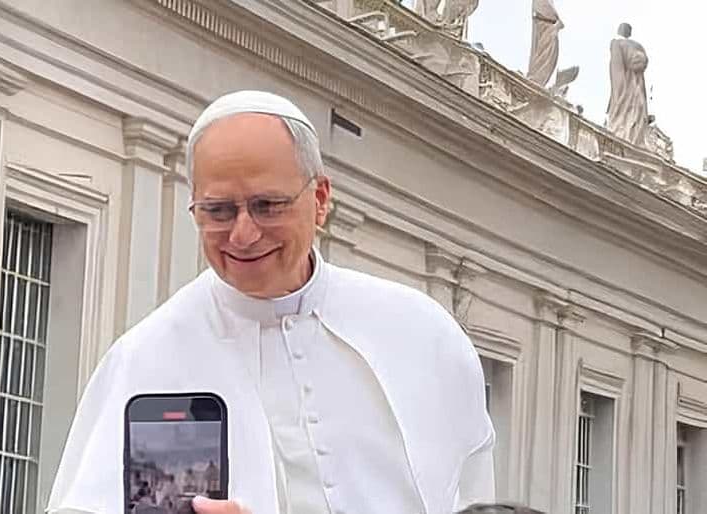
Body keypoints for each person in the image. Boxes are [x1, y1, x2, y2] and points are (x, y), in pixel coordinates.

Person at [46, 90, 495, 514]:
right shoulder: (146, 357)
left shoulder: (420, 332)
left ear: (320, 200)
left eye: (267, 206)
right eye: (218, 211)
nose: (243, 234)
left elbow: (471, 492)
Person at [606, 23, 649, 145]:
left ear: (620, 31)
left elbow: (617, 72)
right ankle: (632, 138)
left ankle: (623, 134)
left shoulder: (616, 44)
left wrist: (617, 95)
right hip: (637, 89)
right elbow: (644, 62)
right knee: (636, 113)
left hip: (626, 88)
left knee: (624, 112)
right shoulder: (639, 46)